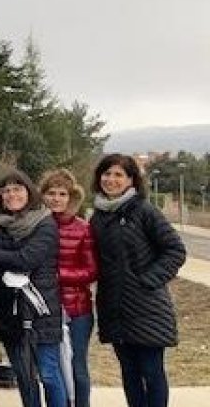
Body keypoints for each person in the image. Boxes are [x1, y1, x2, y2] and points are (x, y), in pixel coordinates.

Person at [90, 154, 186, 407]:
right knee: (129, 373)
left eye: (118, 175)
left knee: (152, 373)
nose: (111, 179)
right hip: (115, 308)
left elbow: (175, 250)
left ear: (131, 180)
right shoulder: (98, 216)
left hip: (147, 308)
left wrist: (147, 280)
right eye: (106, 173)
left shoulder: (143, 210)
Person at [0, 170, 66, 407]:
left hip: (41, 309)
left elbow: (26, 259)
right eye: (6, 191)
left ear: (29, 192)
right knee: (24, 376)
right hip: (10, 311)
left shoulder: (45, 223)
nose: (12, 195)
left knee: (48, 374)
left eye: (17, 189)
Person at [39, 169, 97, 407]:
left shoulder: (82, 228)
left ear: (71, 197)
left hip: (77, 309)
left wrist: (59, 276)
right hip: (44, 309)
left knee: (77, 367)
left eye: (62, 194)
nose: (56, 198)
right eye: (51, 193)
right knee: (50, 370)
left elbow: (92, 270)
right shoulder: (37, 225)